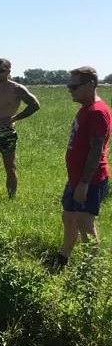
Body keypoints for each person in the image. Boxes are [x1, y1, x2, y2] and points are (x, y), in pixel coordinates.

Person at [56, 66, 111, 268]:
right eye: (69, 85)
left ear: (90, 85)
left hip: (90, 180)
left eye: (74, 86)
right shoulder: (86, 109)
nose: (70, 89)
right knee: (68, 216)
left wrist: (85, 183)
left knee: (85, 223)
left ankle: (91, 270)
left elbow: (96, 150)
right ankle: (63, 257)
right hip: (76, 178)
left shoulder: (97, 112)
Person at [0, 58, 40, 199]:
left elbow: (35, 105)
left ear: (9, 72)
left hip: (7, 132)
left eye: (1, 71)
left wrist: (16, 117)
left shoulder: (17, 89)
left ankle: (11, 198)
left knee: (10, 167)